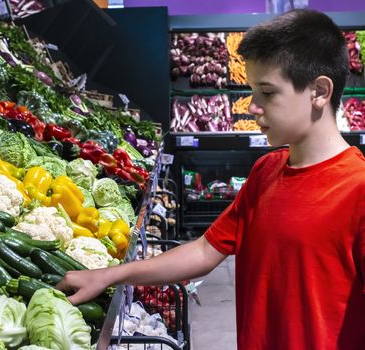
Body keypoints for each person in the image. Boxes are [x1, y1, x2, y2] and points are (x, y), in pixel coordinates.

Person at [57, 9, 365, 349]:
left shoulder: (357, 190)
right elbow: (206, 250)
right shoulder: (266, 171)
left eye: (268, 92)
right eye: (251, 91)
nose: (252, 106)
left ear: (319, 91)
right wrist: (110, 275)